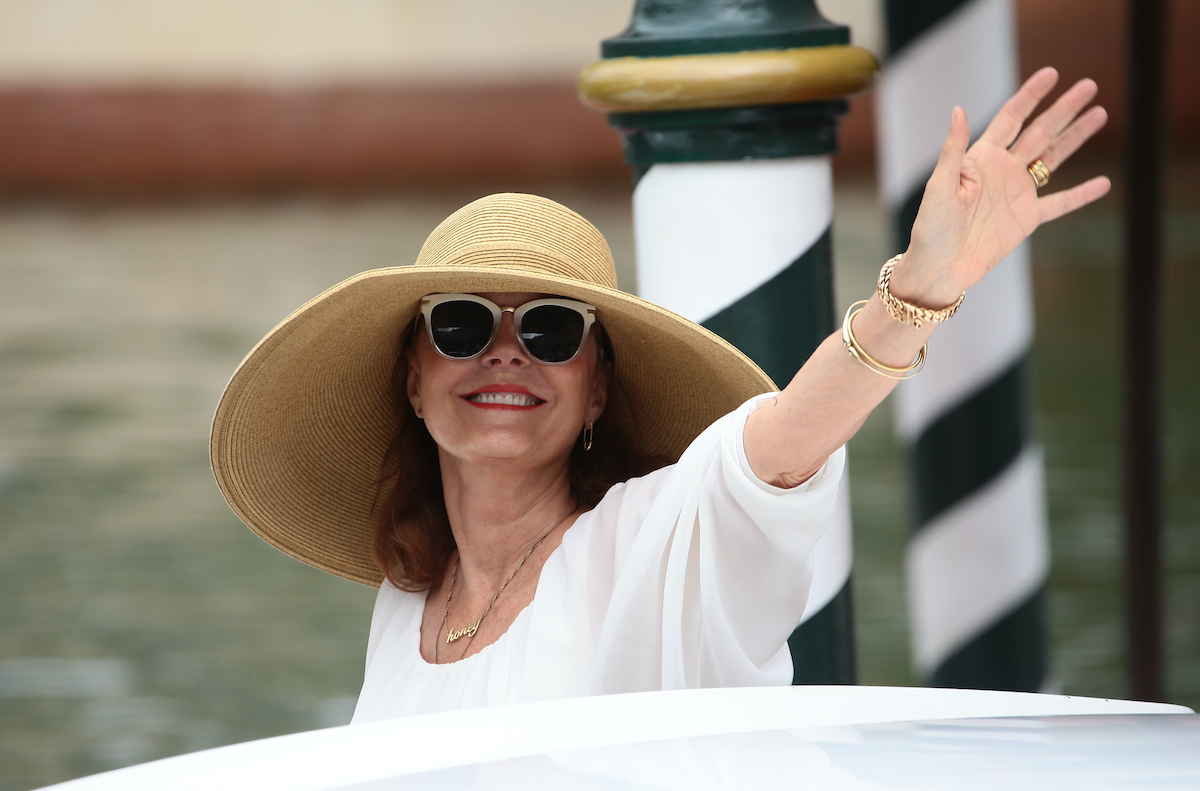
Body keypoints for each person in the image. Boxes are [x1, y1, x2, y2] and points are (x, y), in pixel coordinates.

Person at [210, 68, 1110, 721]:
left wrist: (917, 292)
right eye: (460, 324)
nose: (505, 354)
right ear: (414, 377)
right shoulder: (409, 603)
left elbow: (786, 443)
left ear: (597, 388)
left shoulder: (658, 536)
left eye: (553, 331)